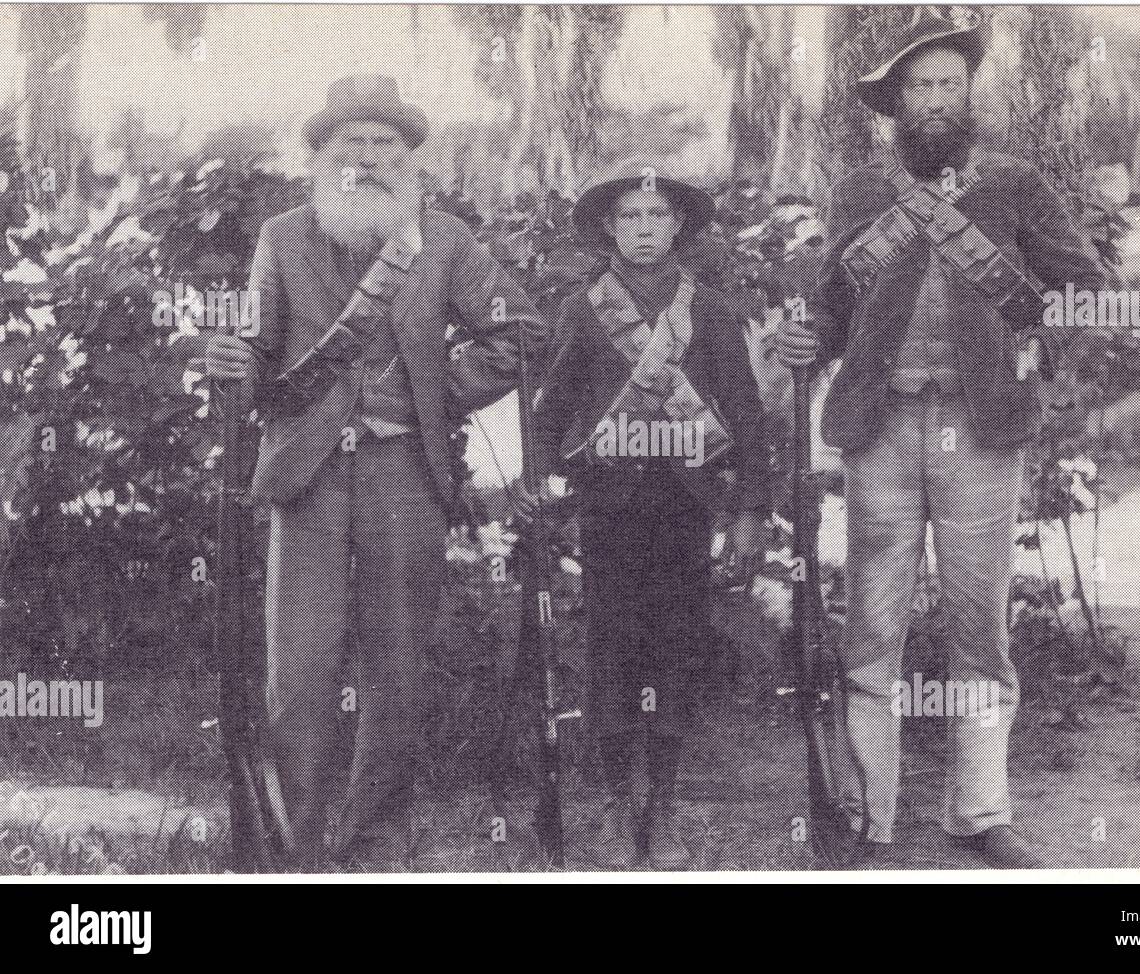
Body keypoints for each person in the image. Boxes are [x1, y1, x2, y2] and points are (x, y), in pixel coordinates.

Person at [776, 15, 1107, 868]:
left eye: (948, 86)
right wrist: (809, 338)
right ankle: (868, 816)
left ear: (968, 97)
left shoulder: (1015, 186)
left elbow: (1087, 289)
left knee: (979, 628)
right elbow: (828, 306)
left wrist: (1031, 340)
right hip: (879, 430)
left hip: (981, 430)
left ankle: (982, 812)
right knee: (872, 627)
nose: (934, 102)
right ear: (893, 105)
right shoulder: (859, 191)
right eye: (919, 88)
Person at [192, 74, 546, 866]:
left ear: (407, 157)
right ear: (321, 155)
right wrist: (230, 361)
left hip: (403, 476)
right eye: (350, 141)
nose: (368, 157)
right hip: (306, 478)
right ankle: (295, 840)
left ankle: (375, 839)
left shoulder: (446, 241)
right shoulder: (281, 238)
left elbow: (520, 332)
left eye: (385, 143)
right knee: (301, 667)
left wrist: (432, 392)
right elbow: (252, 348)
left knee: (396, 664)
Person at [531, 157, 770, 868]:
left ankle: (662, 805)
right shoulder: (583, 307)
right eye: (629, 217)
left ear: (680, 225)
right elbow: (551, 410)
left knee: (676, 649)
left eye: (657, 216)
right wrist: (540, 482)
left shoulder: (713, 311)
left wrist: (750, 510)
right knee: (610, 653)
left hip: (685, 506)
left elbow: (749, 418)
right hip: (609, 506)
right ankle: (612, 803)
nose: (643, 229)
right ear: (608, 227)